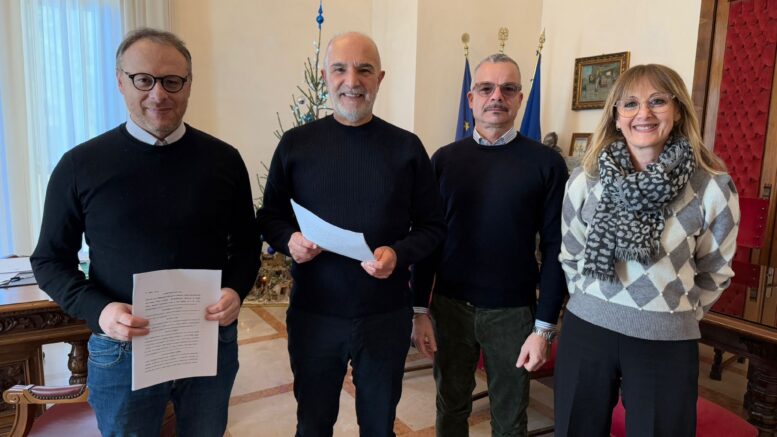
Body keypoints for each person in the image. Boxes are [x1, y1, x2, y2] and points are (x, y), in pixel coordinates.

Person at [30, 28, 261, 436]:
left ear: (189, 84)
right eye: (143, 80)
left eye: (172, 81)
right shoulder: (80, 165)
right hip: (122, 349)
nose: (159, 94)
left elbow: (246, 245)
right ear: (120, 81)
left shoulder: (224, 161)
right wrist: (101, 310)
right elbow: (49, 260)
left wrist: (236, 290)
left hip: (207, 340)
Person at [256, 32, 445, 437]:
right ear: (325, 75)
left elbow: (433, 227)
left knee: (379, 426)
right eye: (340, 69)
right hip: (314, 315)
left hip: (384, 316)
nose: (352, 81)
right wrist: (290, 240)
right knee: (313, 424)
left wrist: (398, 253)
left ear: (380, 78)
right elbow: (270, 216)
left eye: (364, 70)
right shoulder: (295, 145)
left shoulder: (407, 148)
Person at [555, 64, 740, 437]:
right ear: (616, 117)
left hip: (666, 340)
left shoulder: (712, 187)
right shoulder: (586, 178)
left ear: (678, 111)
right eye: (630, 104)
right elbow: (571, 254)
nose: (644, 113)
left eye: (658, 101)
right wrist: (592, 300)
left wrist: (673, 313)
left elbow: (715, 271)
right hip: (586, 330)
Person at [411, 53, 568, 437]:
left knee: (510, 419)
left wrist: (544, 328)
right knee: (450, 407)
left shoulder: (547, 164)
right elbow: (428, 239)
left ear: (520, 98)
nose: (496, 96)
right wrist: (419, 309)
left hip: (512, 314)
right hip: (450, 308)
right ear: (471, 99)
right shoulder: (444, 160)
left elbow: (556, 248)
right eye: (486, 88)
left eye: (507, 89)